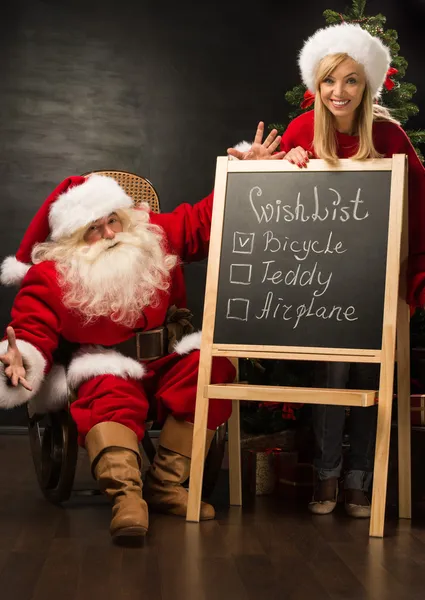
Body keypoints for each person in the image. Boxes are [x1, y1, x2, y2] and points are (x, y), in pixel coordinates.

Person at [0, 167, 280, 542]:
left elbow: (202, 220)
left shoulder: (152, 236)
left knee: (209, 366)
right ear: (72, 238)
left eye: (112, 220)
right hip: (107, 365)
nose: (110, 234)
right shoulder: (51, 275)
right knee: (107, 394)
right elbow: (32, 330)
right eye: (94, 229)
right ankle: (126, 497)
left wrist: (246, 170)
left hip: (165, 359)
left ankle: (165, 484)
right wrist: (22, 359)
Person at [228, 23, 425, 518]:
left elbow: (421, 212)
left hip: (376, 283)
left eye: (351, 80)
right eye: (329, 81)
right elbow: (263, 206)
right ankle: (327, 476)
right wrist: (276, 165)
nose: (339, 92)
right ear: (316, 85)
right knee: (332, 375)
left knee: (371, 379)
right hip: (319, 286)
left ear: (368, 85)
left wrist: (414, 275)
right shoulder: (300, 130)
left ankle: (361, 481)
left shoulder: (389, 135)